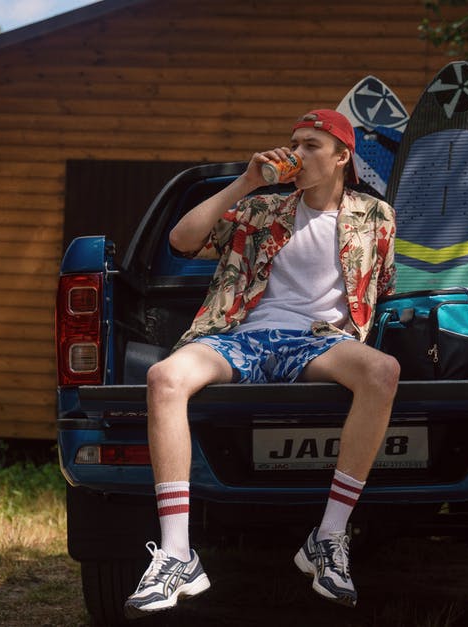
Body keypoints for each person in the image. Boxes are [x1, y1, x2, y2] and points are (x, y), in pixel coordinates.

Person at [123, 109, 400, 618]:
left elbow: (382, 289)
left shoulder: (375, 216)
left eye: (312, 144)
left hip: (317, 342)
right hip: (240, 337)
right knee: (164, 377)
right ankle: (178, 555)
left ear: (342, 157)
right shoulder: (261, 209)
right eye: (294, 141)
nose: (297, 151)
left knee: (383, 371)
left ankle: (329, 537)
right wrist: (247, 181)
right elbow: (182, 242)